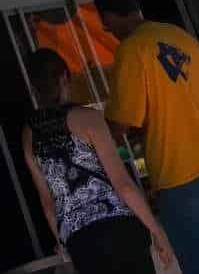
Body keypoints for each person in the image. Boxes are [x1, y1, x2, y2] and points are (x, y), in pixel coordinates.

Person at [95, 0, 199, 274]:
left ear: (109, 17)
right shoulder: (178, 35)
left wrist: (93, 143)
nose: (107, 31)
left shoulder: (132, 49)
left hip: (181, 177)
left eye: (105, 25)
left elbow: (119, 124)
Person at [21, 48, 175, 274]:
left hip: (82, 243)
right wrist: (157, 231)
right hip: (120, 230)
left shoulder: (29, 135)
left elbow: (47, 203)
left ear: (34, 87)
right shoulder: (88, 119)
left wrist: (65, 246)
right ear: (64, 77)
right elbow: (122, 184)